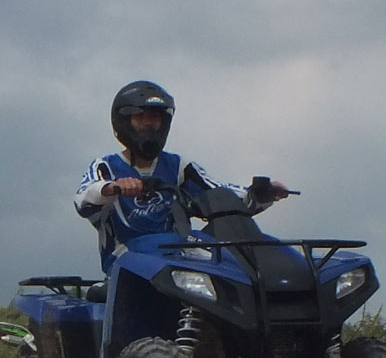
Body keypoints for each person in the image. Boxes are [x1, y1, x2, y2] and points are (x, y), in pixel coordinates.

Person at [73, 80, 293, 273]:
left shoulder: (179, 166)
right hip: (128, 262)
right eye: (140, 118)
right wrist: (112, 188)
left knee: (230, 264)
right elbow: (83, 198)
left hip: (178, 256)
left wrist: (261, 193)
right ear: (124, 121)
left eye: (154, 118)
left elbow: (217, 192)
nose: (148, 124)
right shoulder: (106, 167)